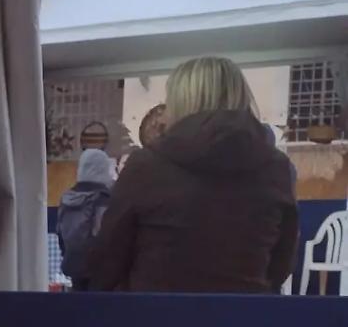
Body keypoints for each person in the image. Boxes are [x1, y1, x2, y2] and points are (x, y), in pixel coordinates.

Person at [89, 56, 298, 293]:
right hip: (244, 312)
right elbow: (281, 264)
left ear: (181, 102)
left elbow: (107, 262)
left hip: (155, 312)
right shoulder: (277, 168)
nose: (164, 114)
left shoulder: (145, 166)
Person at [57, 147, 116, 289]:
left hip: (73, 265)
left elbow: (60, 233)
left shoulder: (67, 197)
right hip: (98, 270)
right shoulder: (103, 198)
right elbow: (105, 236)